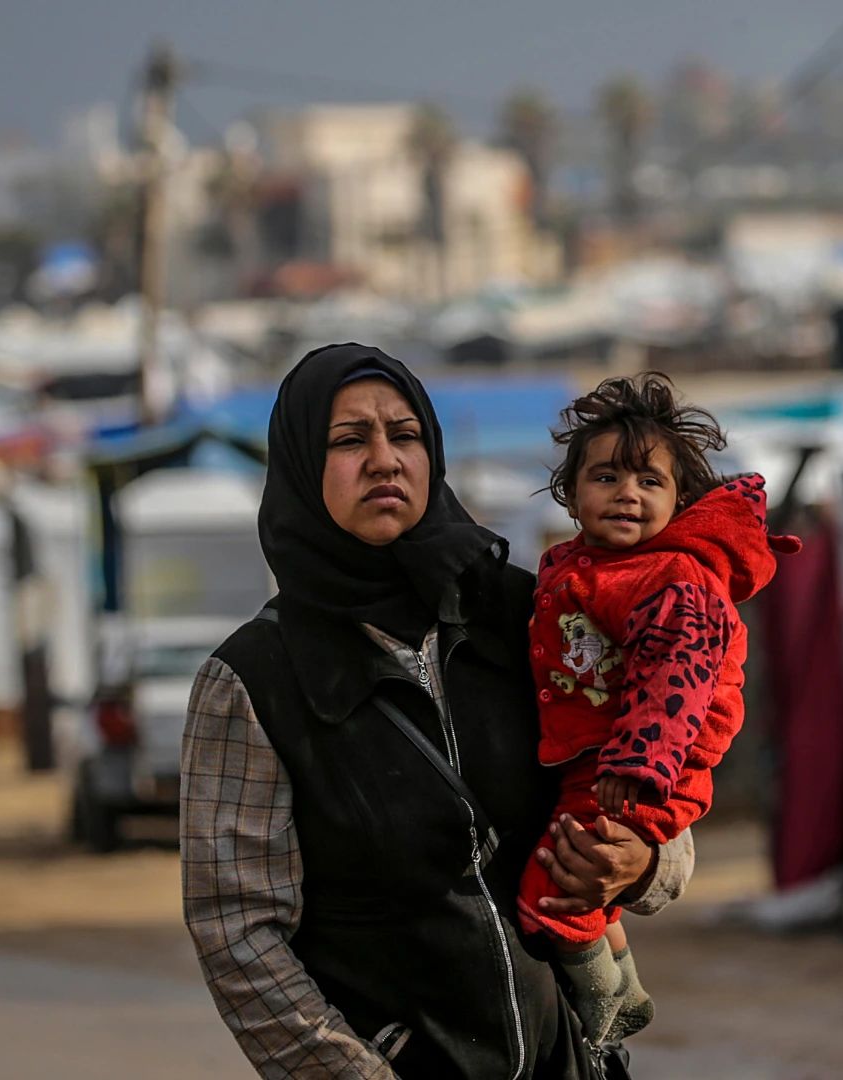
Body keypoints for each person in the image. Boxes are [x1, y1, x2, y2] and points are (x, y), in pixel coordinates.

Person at [180, 344, 695, 1079]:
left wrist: (641, 864)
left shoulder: (531, 614)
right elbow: (236, 931)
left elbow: (656, 791)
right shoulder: (251, 681)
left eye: (406, 434)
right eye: (350, 440)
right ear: (300, 464)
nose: (385, 460)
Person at [517, 373, 798, 1045]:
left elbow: (676, 681)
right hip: (602, 764)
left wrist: (638, 765)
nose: (628, 495)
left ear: (679, 501)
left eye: (649, 482)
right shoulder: (586, 568)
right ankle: (623, 987)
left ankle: (603, 1009)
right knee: (576, 876)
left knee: (549, 896)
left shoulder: (669, 579)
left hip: (638, 771)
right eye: (607, 478)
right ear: (571, 493)